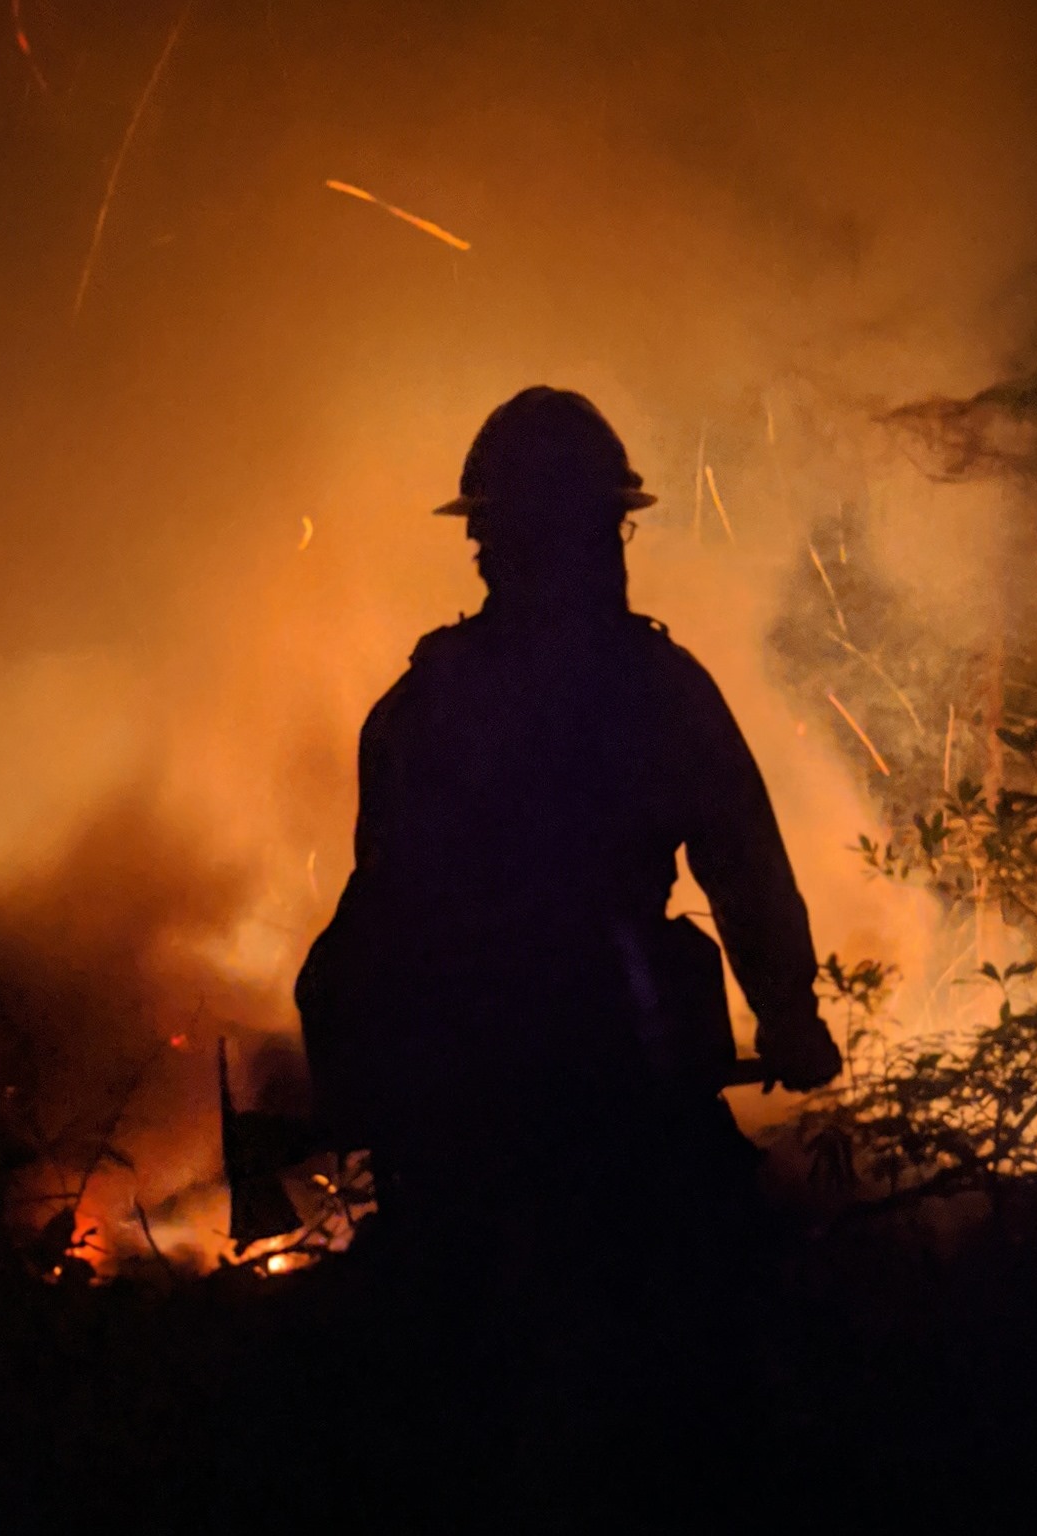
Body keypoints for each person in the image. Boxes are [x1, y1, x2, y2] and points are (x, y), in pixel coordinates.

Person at [296, 386, 841, 1515]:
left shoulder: (422, 701)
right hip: (623, 1084)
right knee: (685, 1374)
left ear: (487, 540)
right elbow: (741, 859)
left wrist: (364, 1078)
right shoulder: (656, 689)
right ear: (607, 530)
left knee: (466, 1398)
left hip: (460, 1102)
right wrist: (787, 1013)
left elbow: (377, 904)